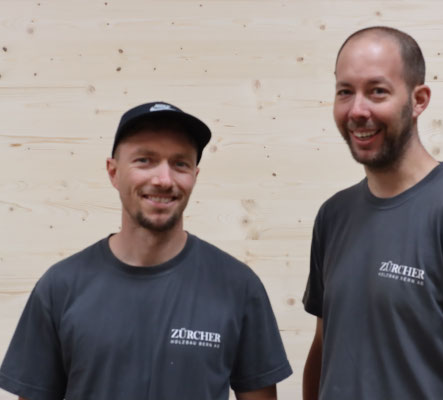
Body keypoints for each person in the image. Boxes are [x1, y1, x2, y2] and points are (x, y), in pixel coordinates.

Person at [0, 102, 292, 400]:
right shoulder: (60, 288)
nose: (163, 179)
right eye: (144, 160)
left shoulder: (238, 287)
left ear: (195, 175)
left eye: (180, 164)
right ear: (113, 172)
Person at [302, 27, 443, 400]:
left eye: (377, 91)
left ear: (418, 100)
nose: (357, 110)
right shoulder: (333, 216)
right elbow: (325, 348)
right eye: (345, 92)